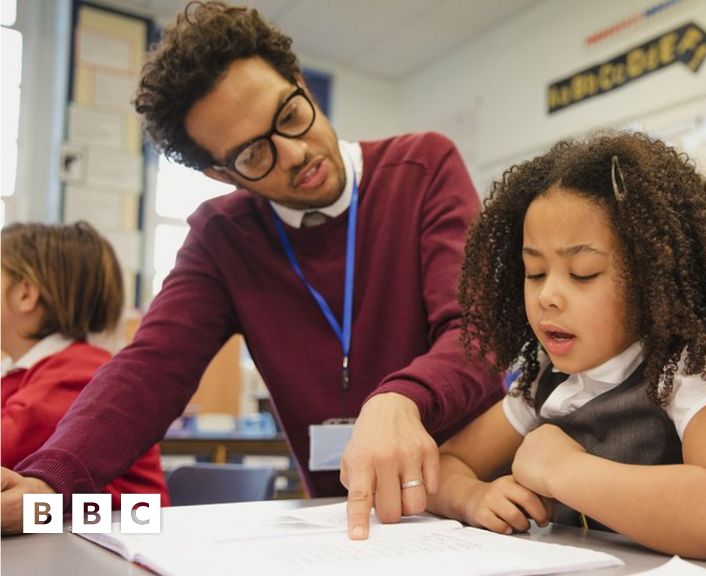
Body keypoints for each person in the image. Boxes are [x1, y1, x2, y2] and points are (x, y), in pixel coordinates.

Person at [0, 1, 502, 537]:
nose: (292, 154)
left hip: (472, 500)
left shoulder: (422, 169)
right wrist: (52, 481)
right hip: (344, 528)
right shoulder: (222, 238)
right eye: (253, 155)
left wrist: (403, 399)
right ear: (221, 174)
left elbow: (476, 330)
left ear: (300, 81)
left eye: (289, 116)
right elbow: (149, 369)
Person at [426, 131, 706, 562]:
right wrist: (471, 497)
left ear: (652, 275)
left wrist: (562, 470)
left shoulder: (699, 366)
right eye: (535, 272)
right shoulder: (544, 382)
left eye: (582, 273)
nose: (548, 296)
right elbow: (443, 465)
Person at [1, 222, 169, 508]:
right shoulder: (22, 371)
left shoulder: (81, 371)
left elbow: (7, 446)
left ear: (26, 294)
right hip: (70, 528)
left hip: (127, 530)